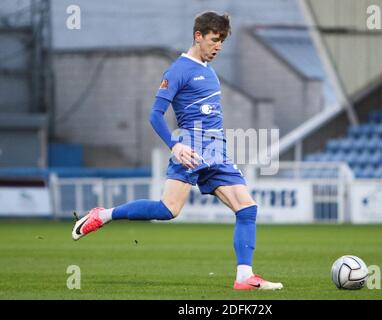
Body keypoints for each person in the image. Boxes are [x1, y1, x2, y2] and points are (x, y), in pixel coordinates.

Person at [71, 11, 283, 291]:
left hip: (216, 151)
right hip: (191, 148)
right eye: (214, 39)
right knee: (168, 210)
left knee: (247, 209)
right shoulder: (178, 70)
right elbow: (155, 115)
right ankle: (104, 215)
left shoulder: (209, 70)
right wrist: (176, 144)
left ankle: (244, 277)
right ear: (198, 36)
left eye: (221, 41)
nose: (218, 46)